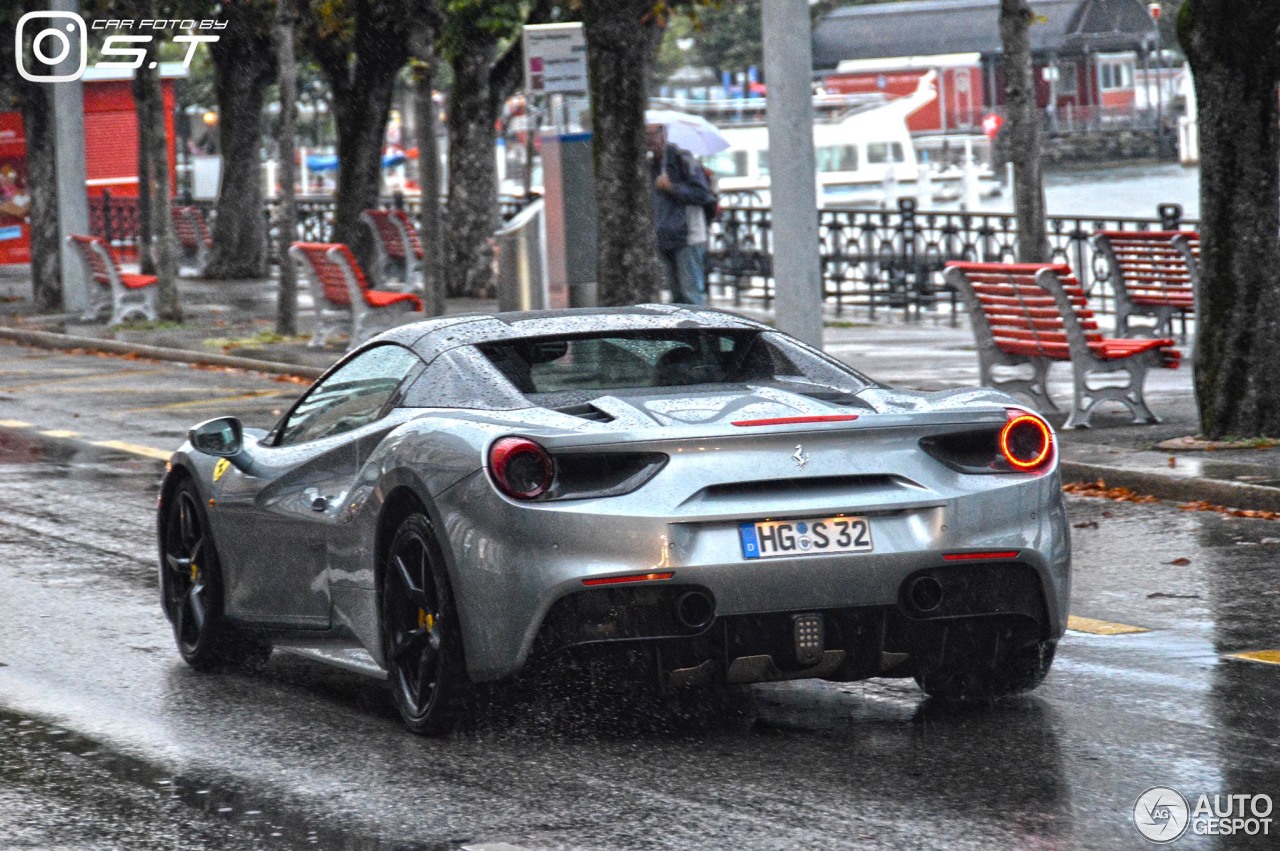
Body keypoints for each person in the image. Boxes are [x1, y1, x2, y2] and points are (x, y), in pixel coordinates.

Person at [646, 123, 715, 305]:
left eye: (654, 133)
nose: (650, 139)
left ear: (664, 134)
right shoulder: (652, 164)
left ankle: (700, 332)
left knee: (691, 294)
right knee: (676, 296)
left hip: (688, 236)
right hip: (665, 236)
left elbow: (702, 194)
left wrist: (672, 188)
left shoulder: (682, 158)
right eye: (646, 134)